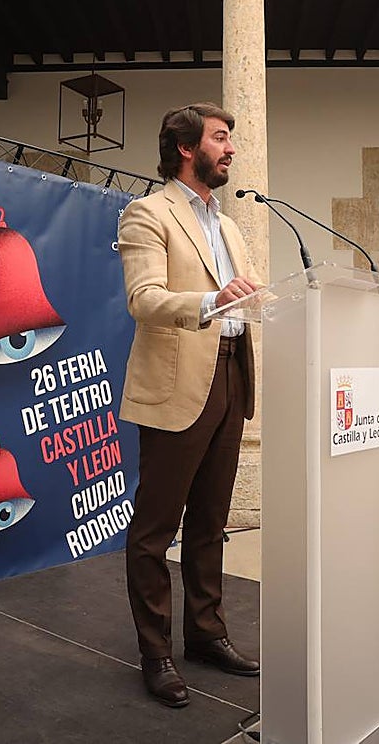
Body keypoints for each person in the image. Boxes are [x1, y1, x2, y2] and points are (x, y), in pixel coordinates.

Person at [117, 102, 262, 708]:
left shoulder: (228, 225)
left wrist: (254, 298)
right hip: (179, 383)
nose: (231, 150)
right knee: (154, 531)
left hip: (230, 378)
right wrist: (211, 301)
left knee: (210, 523)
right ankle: (156, 653)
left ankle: (207, 634)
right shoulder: (148, 213)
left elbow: (254, 293)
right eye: (221, 139)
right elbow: (144, 299)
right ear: (186, 148)